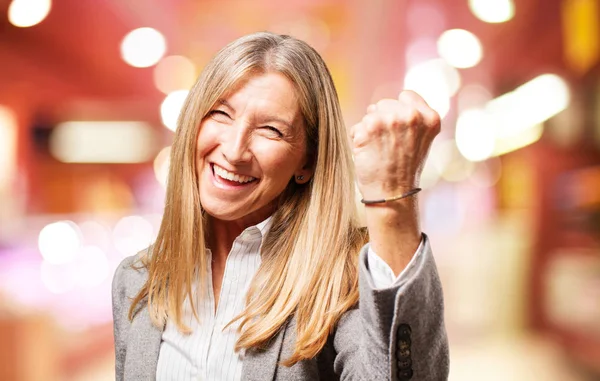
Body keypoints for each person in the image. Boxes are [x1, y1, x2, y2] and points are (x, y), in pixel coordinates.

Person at [112, 32, 448, 381]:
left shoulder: (344, 278)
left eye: (271, 130)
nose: (234, 150)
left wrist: (391, 194)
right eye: (220, 113)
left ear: (306, 163)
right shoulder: (137, 280)